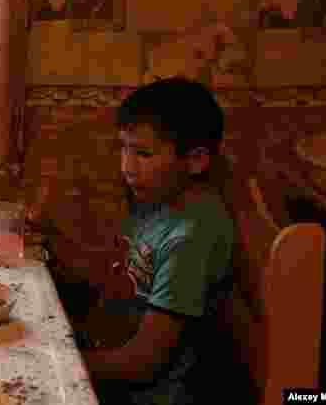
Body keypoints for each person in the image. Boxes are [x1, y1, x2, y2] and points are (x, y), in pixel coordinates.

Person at [79, 77, 235, 405]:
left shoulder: (189, 239)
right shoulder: (158, 200)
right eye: (123, 147)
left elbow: (142, 364)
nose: (127, 168)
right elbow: (120, 277)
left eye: (144, 154)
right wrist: (49, 241)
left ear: (195, 160)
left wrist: (61, 358)